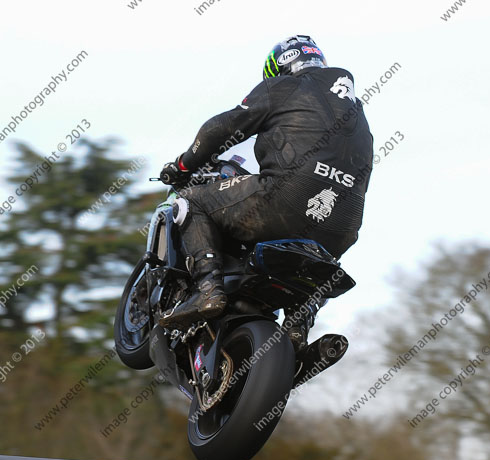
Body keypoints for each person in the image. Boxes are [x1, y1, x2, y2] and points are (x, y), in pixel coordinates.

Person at [158, 35, 373, 349]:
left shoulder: (283, 87)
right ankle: (300, 322)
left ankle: (208, 289)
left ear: (279, 68)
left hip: (286, 201)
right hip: (344, 226)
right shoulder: (356, 111)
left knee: (191, 202)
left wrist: (182, 165)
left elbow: (223, 127)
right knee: (309, 259)